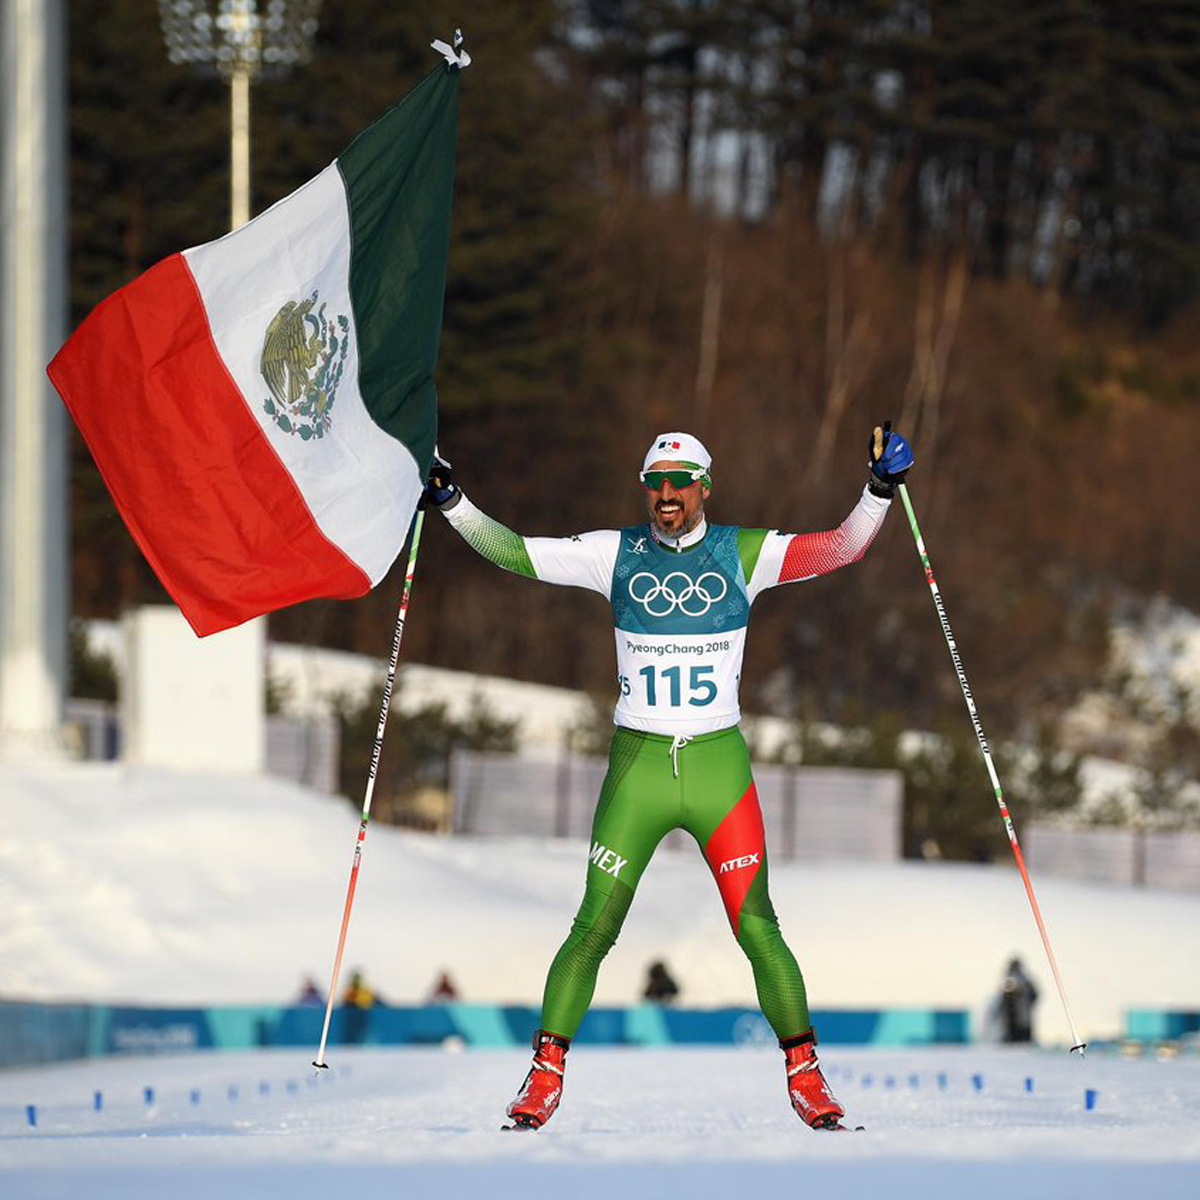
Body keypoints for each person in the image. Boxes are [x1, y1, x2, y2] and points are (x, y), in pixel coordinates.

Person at [423, 424, 913, 1130]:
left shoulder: (744, 553)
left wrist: (879, 489)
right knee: (592, 926)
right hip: (640, 768)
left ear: (704, 487)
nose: (667, 495)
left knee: (758, 927)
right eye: (655, 484)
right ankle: (543, 1076)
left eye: (680, 483)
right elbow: (517, 552)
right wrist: (453, 503)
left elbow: (841, 547)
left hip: (717, 769)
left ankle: (806, 1075)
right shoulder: (613, 553)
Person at [999, 957, 1039, 1043]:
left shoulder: (1013, 980)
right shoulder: (1025, 980)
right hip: (1020, 1020)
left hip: (1016, 1021)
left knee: (1019, 1044)